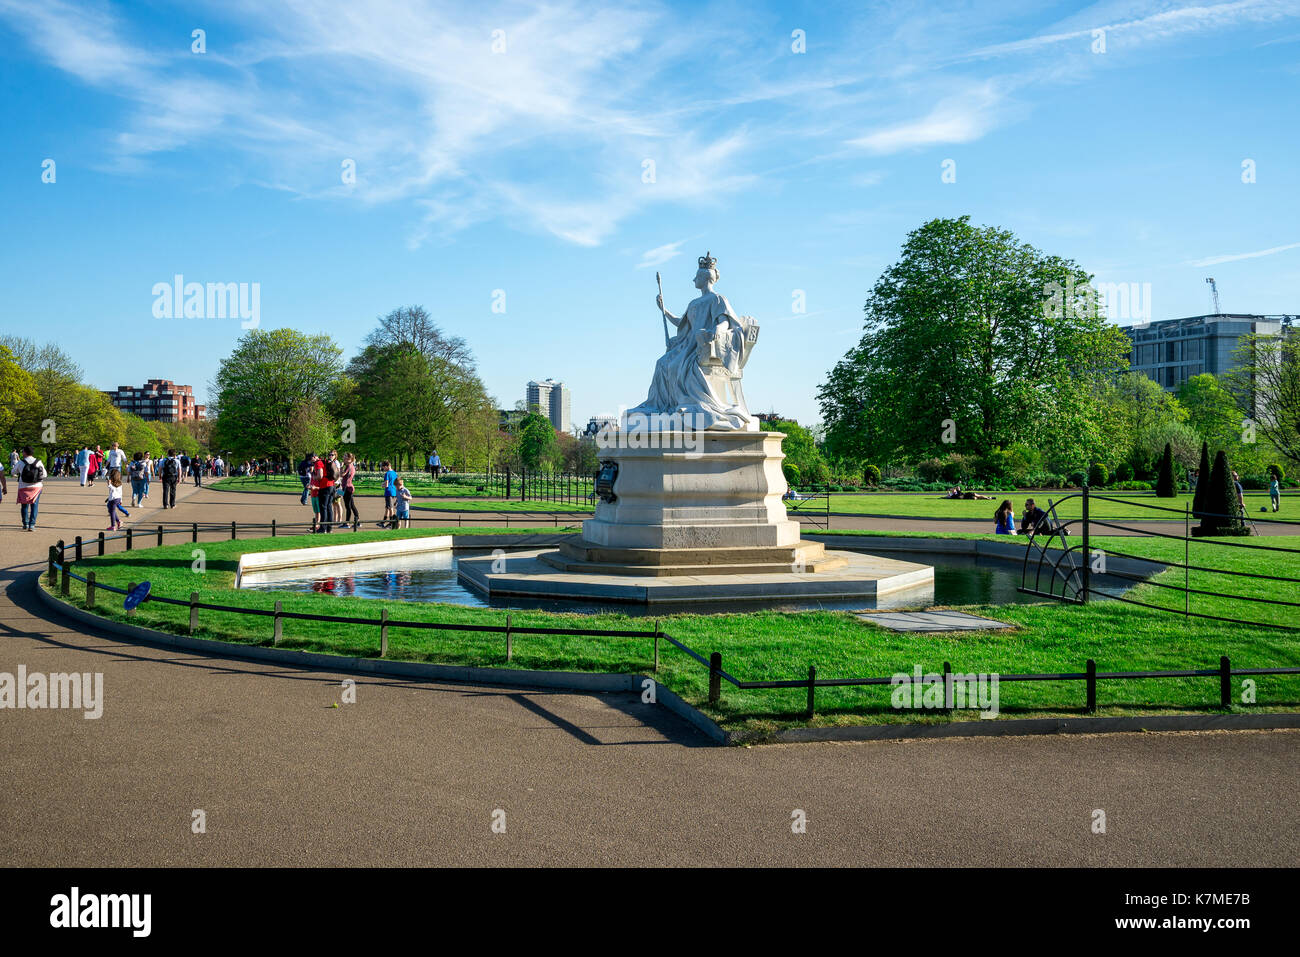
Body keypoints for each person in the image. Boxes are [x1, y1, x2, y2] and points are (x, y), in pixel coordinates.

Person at [17, 446, 47, 532]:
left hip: (23, 487)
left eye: (22, 452)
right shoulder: (38, 462)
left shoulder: (21, 462)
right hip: (36, 487)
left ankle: (25, 523)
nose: (22, 453)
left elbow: (13, 472)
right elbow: (44, 475)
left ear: (25, 453)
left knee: (24, 506)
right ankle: (32, 525)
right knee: (34, 505)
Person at [312, 451, 335, 533]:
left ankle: (323, 528)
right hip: (332, 485)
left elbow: (320, 476)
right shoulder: (325, 461)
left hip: (325, 486)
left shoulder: (318, 463)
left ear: (314, 457)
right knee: (329, 507)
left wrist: (314, 476)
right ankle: (329, 528)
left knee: (323, 507)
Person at [340, 452, 360, 530]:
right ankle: (357, 521)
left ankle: (347, 523)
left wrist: (341, 467)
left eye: (345, 457)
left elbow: (342, 475)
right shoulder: (351, 465)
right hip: (347, 488)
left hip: (347, 488)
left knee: (348, 506)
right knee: (351, 505)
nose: (343, 459)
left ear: (349, 459)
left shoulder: (348, 466)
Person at [379, 460, 398, 528]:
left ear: (387, 466)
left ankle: (391, 523)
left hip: (388, 492)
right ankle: (383, 522)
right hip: (393, 491)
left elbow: (386, 484)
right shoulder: (395, 473)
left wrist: (382, 485)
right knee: (388, 507)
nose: (383, 469)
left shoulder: (387, 474)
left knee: (390, 508)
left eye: (383, 467)